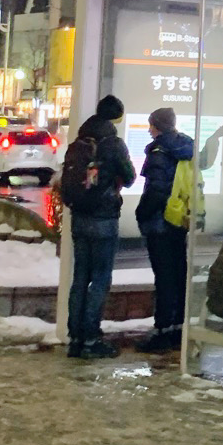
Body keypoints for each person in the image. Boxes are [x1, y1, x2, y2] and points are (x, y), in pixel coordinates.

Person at [59, 92, 136, 359]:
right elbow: (129, 178)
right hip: (103, 219)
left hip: (79, 218)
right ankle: (91, 340)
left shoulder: (79, 141)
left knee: (80, 278)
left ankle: (76, 339)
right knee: (100, 280)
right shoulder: (113, 144)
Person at [136, 105, 194, 353]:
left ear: (158, 126)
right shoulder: (185, 147)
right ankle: (178, 328)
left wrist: (142, 213)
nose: (149, 130)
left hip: (160, 222)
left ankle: (162, 331)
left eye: (151, 125)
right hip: (179, 219)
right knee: (178, 273)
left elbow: (157, 190)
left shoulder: (160, 152)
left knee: (164, 276)